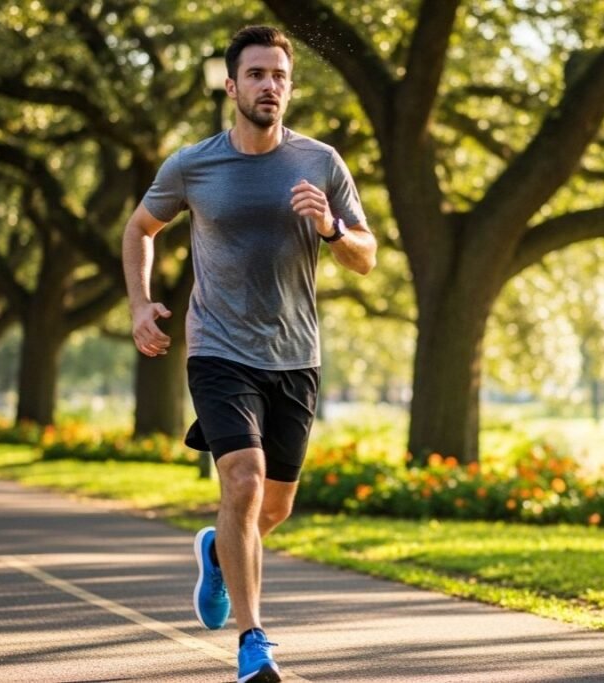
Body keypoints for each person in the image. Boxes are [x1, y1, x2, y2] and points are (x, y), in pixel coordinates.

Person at [122, 25, 376, 683]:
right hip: (218, 350)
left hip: (295, 356)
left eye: (280, 76)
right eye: (257, 74)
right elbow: (139, 228)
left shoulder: (321, 162)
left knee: (273, 508)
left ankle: (216, 551)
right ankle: (252, 639)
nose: (270, 85)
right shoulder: (193, 164)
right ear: (232, 85)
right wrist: (140, 302)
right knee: (243, 477)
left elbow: (367, 257)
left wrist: (332, 228)